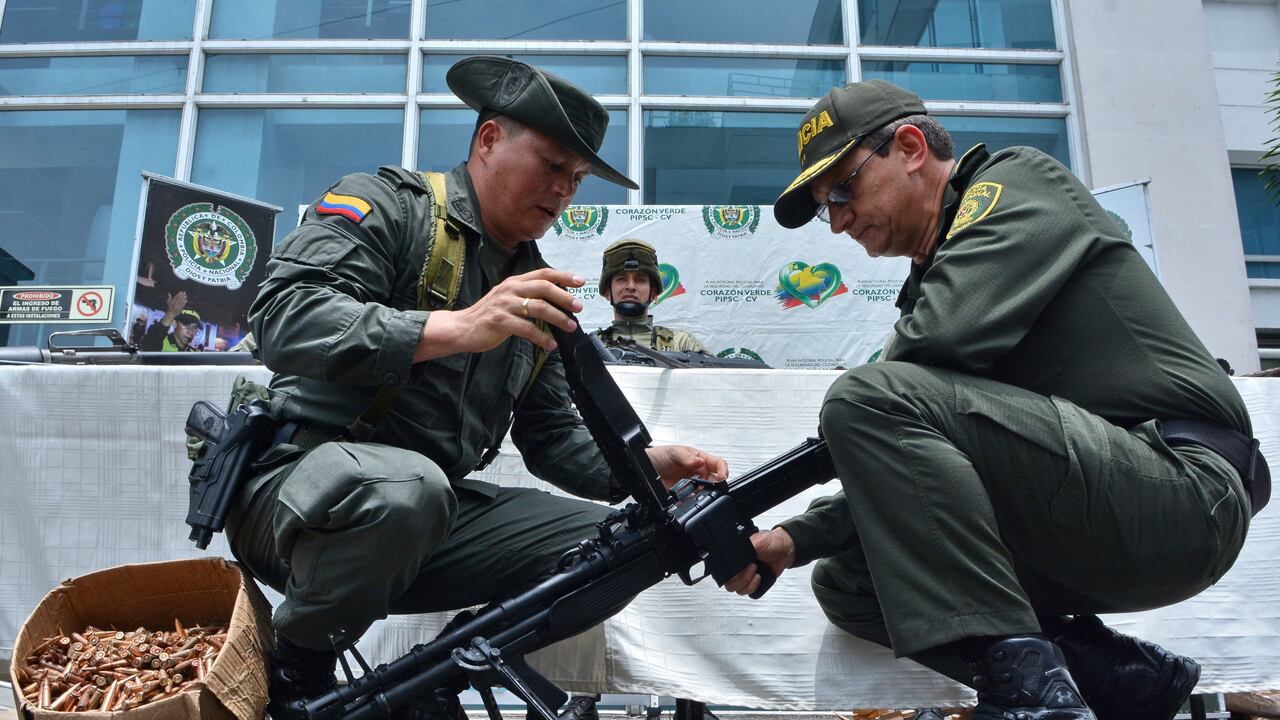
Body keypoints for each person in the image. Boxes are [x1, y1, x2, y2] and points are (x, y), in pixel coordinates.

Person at [725, 80, 1268, 720]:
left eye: (842, 190)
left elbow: (907, 372)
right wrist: (794, 538)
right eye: (826, 207)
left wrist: (847, 432)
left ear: (910, 148)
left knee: (865, 398)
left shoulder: (1015, 185)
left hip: (1182, 491)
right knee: (850, 583)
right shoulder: (939, 274)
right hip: (1090, 507)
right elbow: (907, 470)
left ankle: (1033, 703)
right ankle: (1117, 679)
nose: (838, 220)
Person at [226, 56, 728, 720]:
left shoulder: (537, 291)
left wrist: (641, 467)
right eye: (553, 166)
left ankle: (443, 669)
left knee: (623, 545)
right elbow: (281, 317)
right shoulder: (391, 207)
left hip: (425, 514)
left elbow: (551, 438)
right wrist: (453, 327)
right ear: (489, 140)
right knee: (411, 489)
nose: (565, 191)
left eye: (577, 179)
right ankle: (297, 671)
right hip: (293, 495)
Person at [590, 239, 707, 354]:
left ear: (654, 293)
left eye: (640, 280)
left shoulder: (682, 343)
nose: (631, 286)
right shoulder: (592, 347)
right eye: (621, 279)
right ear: (607, 292)